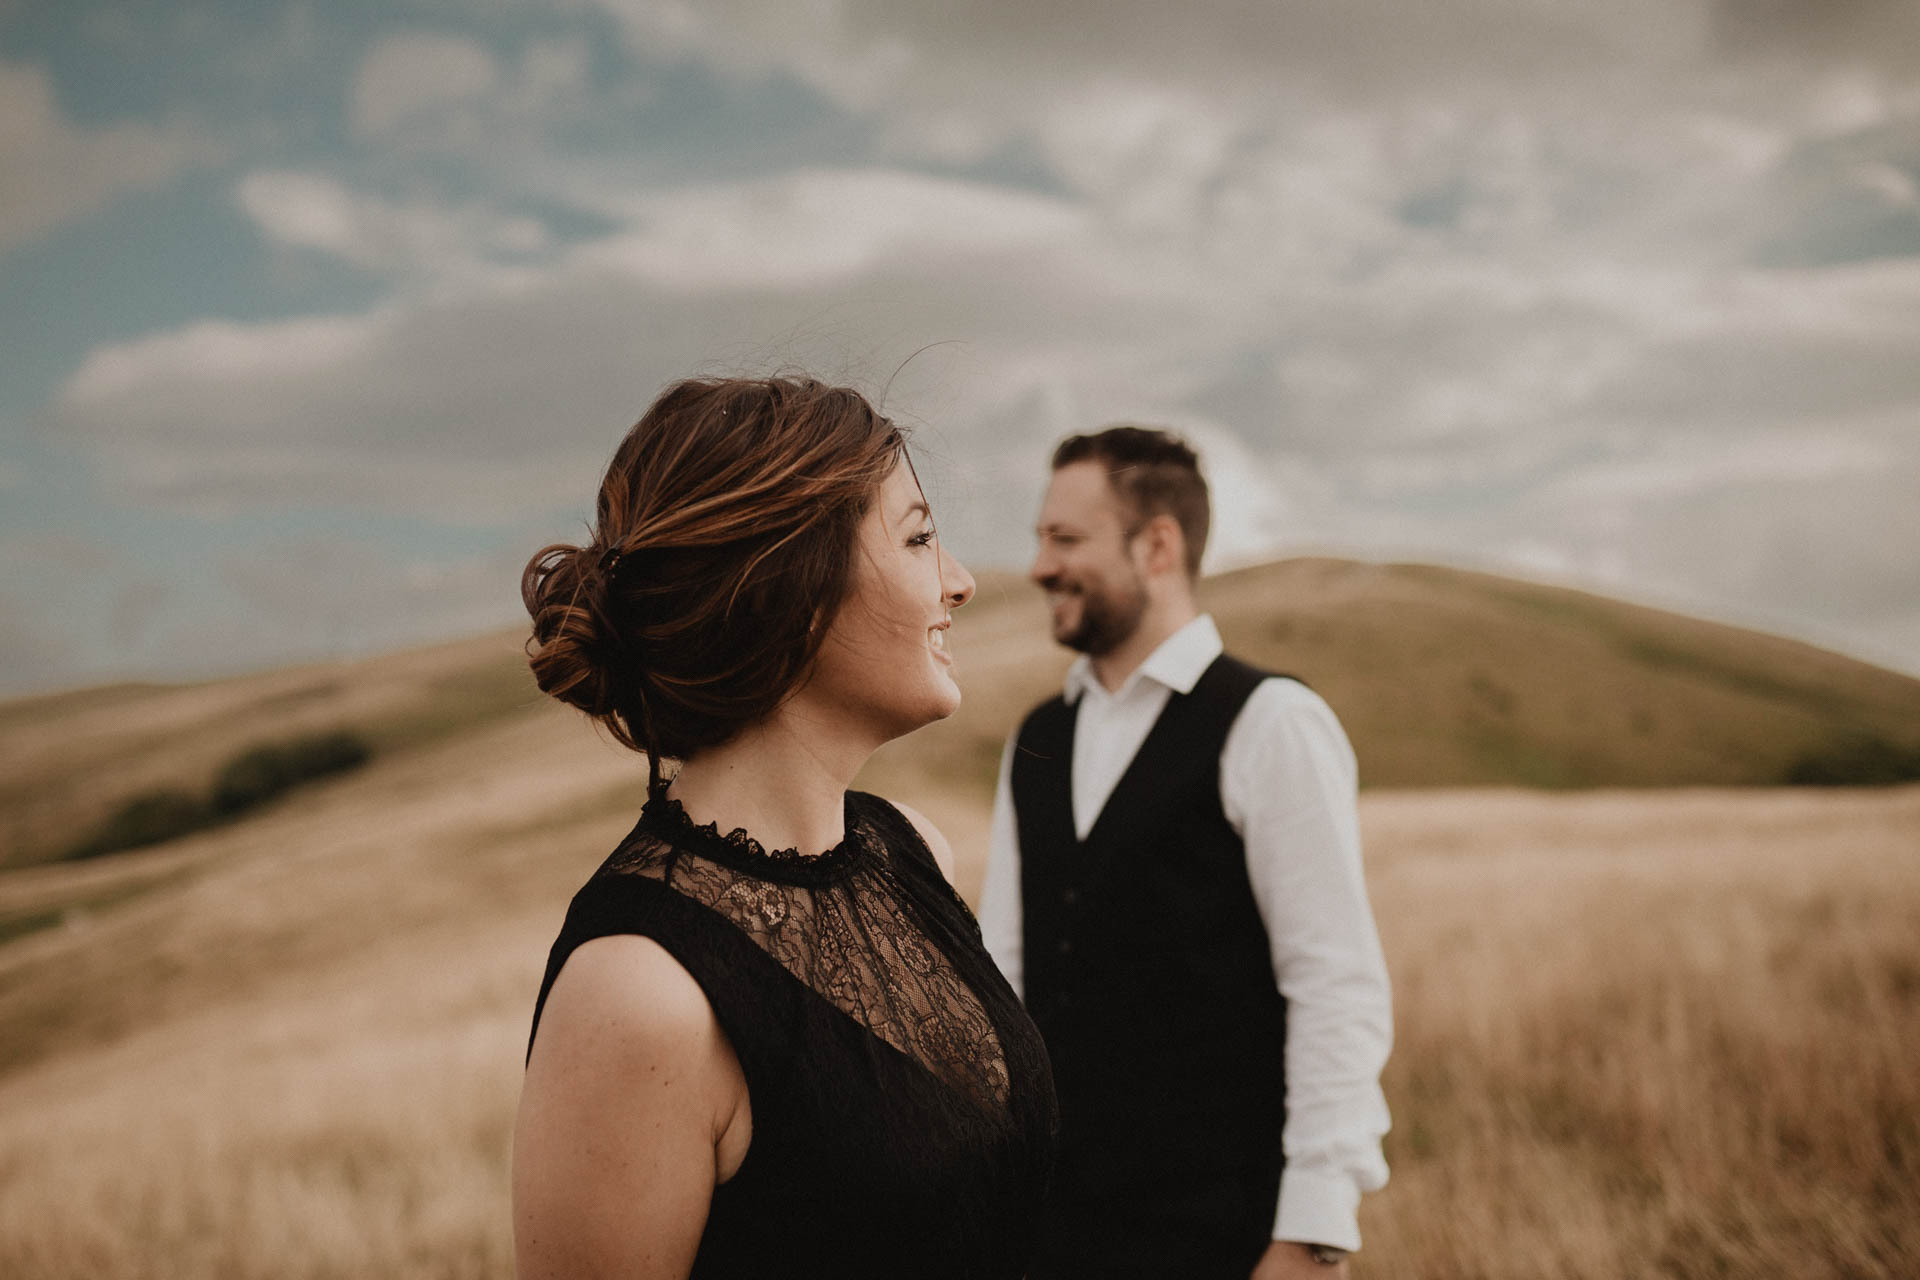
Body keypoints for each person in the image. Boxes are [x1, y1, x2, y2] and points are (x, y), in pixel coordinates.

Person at [512, 376, 1057, 1280]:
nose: (959, 582)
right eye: (919, 539)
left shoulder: (911, 854)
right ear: (790, 592)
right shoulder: (641, 992)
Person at [978, 427, 1392, 1279]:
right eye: (1039, 539)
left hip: (1225, 1235)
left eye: (1065, 539)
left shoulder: (1271, 721)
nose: (1040, 566)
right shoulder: (1038, 737)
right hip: (1053, 1231)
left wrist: (1314, 1231)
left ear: (1157, 545)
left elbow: (1333, 983)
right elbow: (1004, 980)